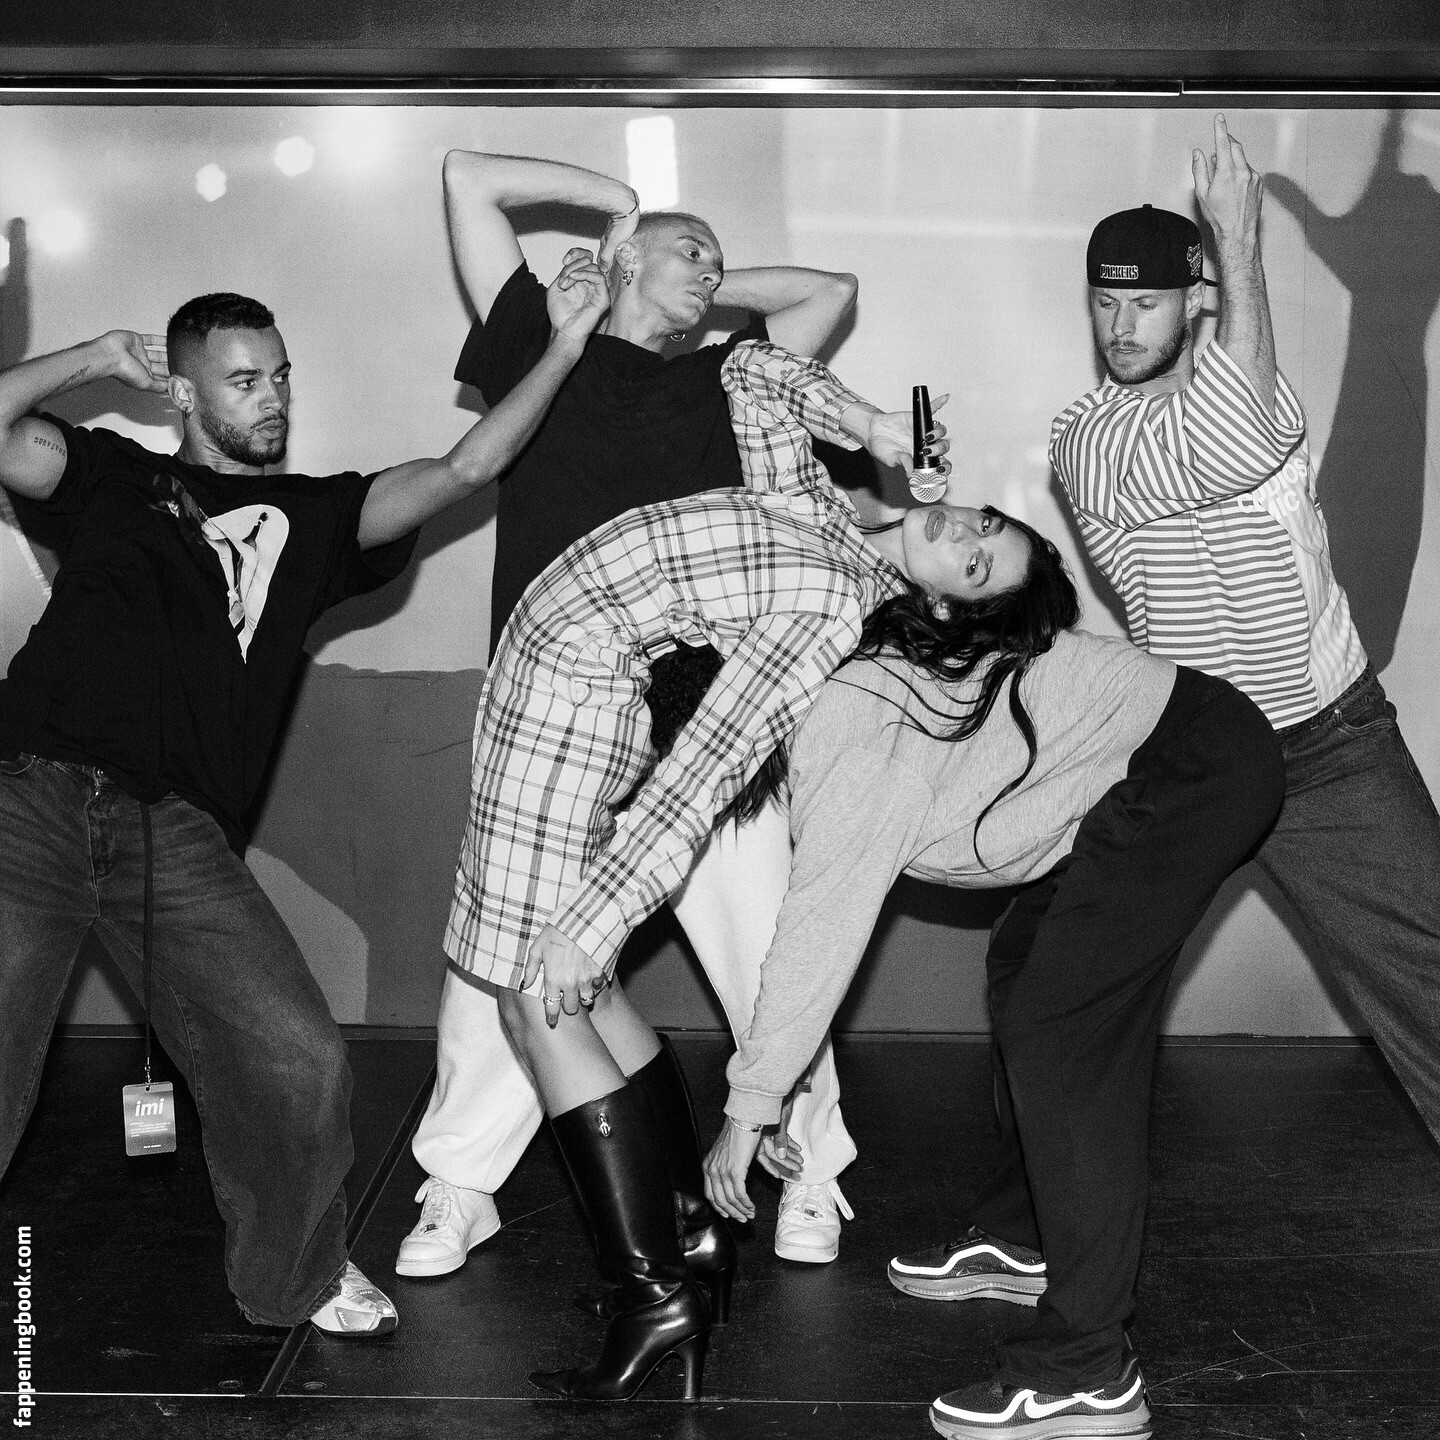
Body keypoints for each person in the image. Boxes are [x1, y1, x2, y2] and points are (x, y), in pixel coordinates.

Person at [0, 267, 609, 1338]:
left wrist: (567, 341)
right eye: (243, 381)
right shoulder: (108, 473)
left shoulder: (322, 515)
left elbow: (467, 465)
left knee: (297, 1059)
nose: (272, 397)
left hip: (173, 831)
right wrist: (94, 357)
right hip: (27, 801)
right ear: (183, 395)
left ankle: (297, 1279)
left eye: (281, 376)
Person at [446, 335, 1038, 1401]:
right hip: (545, 680)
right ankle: (690, 1233)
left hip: (566, 711)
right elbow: (747, 376)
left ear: (949, 610)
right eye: (986, 523)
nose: (965, 532)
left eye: (977, 563)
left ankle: (652, 1299)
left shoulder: (832, 610)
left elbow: (706, 767)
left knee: (540, 993)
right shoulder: (826, 518)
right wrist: (871, 427)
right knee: (576, 996)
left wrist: (597, 916)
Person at [401, 144, 870, 1279]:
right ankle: (459, 1184)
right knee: (504, 963)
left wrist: (688, 283)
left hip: (705, 716)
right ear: (620, 258)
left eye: (719, 256)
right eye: (690, 247)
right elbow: (468, 177)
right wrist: (620, 220)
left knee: (771, 948)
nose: (711, 266)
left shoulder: (730, 378)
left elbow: (830, 292)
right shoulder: (542, 342)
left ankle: (809, 1167)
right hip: (552, 714)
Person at [702, 608, 1284, 1438]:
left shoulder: (845, 749)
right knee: (1024, 965)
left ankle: (1087, 1372)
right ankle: (1027, 1234)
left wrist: (748, 1109)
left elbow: (815, 939)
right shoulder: (840, 702)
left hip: (1187, 764)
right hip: (1141, 765)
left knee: (1062, 1036)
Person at [1046, 120, 1440, 1151]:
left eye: (1146, 301)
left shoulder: (1265, 397)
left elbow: (1241, 426)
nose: (1120, 325)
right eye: (1105, 302)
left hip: (1335, 745)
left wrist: (1241, 255)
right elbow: (1224, 444)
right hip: (1199, 754)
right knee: (1065, 988)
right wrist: (1239, 238)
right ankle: (1015, 1219)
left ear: (1199, 303)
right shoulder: (1085, 438)